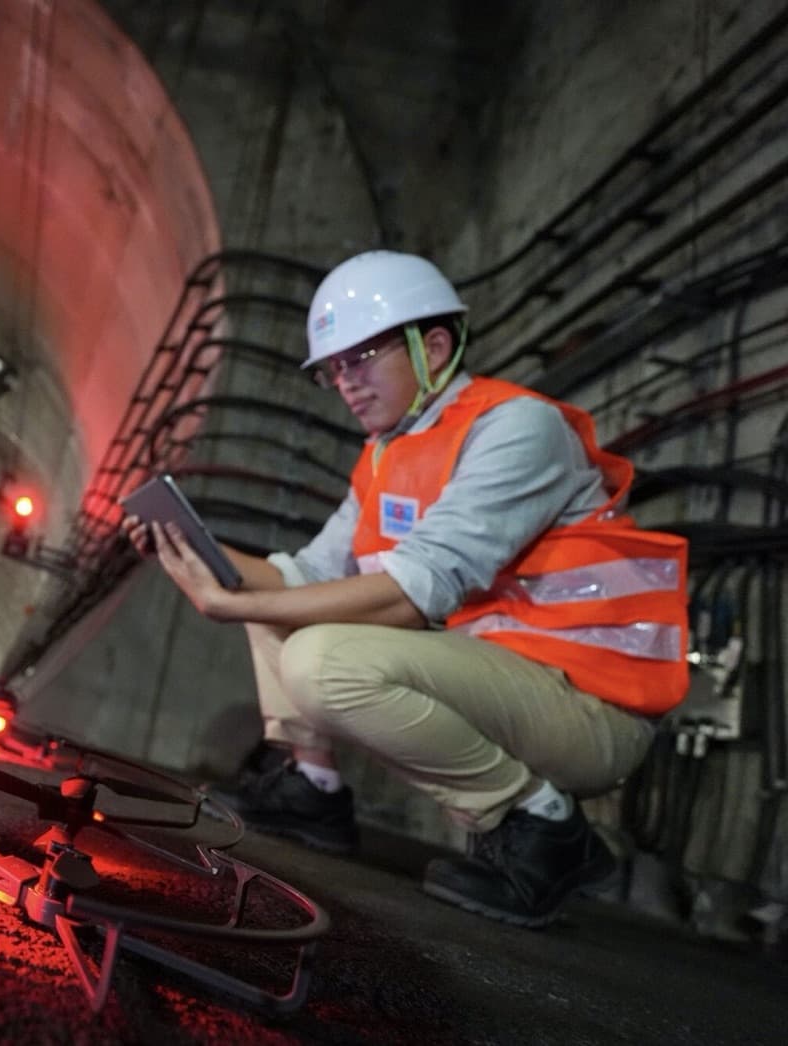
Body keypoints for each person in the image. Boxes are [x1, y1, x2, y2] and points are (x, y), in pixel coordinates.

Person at [121, 250, 690, 928]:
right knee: (281, 607)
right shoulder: (389, 454)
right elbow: (305, 575)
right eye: (335, 369)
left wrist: (239, 601)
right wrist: (196, 554)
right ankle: (313, 787)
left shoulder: (514, 429)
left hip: (593, 705)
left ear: (436, 346)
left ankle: (540, 823)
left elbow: (409, 596)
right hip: (512, 676)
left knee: (320, 658)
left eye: (361, 358)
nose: (346, 383)